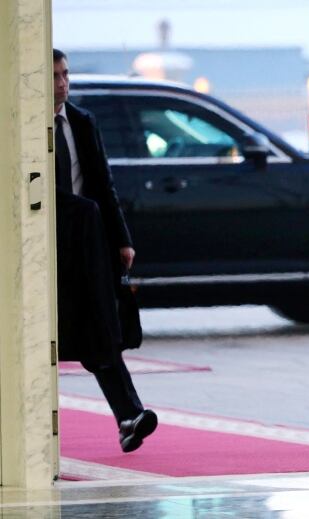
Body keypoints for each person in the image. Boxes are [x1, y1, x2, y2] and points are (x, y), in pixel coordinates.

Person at [53, 49, 157, 453]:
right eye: (54, 76)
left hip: (86, 246)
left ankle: (129, 416)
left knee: (100, 329)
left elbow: (102, 183)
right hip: (43, 251)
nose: (62, 83)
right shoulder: (25, 128)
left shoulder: (81, 122)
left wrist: (122, 239)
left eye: (66, 74)